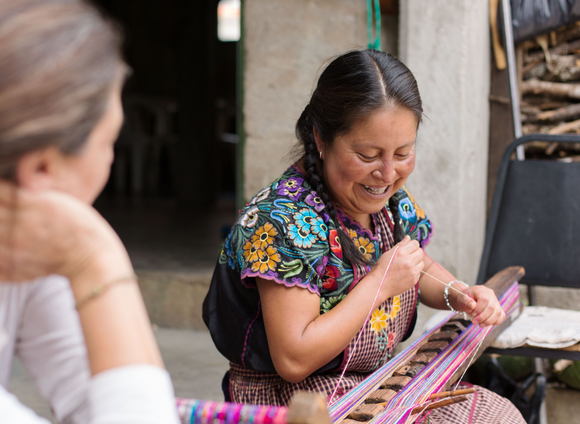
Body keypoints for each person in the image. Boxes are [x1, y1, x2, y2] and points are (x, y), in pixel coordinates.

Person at [203, 49, 525, 423]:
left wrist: (460, 294)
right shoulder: (282, 222)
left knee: (498, 415)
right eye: (368, 155)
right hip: (294, 404)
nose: (388, 174)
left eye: (403, 152)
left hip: (371, 386)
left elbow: (415, 266)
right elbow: (294, 358)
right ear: (321, 138)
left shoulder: (390, 202)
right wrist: (380, 283)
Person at [0, 0, 178, 422]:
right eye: (107, 143)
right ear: (41, 168)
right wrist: (99, 260)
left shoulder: (20, 247)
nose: (110, 161)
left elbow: (93, 401)